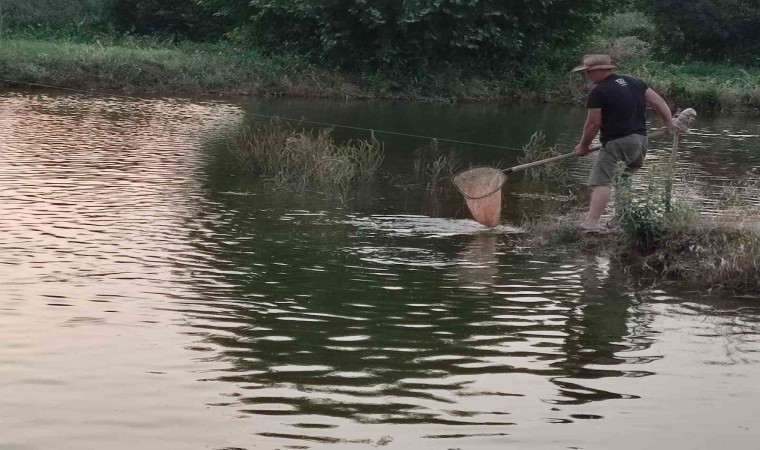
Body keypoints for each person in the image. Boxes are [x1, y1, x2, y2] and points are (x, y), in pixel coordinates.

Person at [572, 54, 679, 233]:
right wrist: (669, 124)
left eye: (588, 72)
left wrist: (583, 146)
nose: (587, 76)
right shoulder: (635, 81)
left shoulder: (598, 91)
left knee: (601, 181)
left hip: (617, 143)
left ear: (600, 71)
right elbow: (659, 102)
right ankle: (620, 220)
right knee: (623, 180)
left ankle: (591, 223)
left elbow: (593, 124)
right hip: (640, 143)